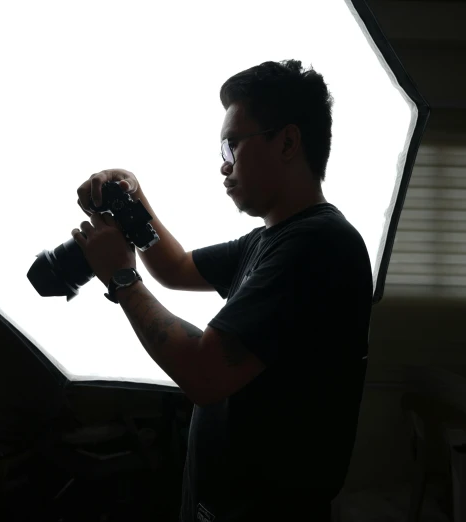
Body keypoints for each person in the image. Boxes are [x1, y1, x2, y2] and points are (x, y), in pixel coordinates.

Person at [72, 59, 373, 522]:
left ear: (288, 141)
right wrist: (131, 200)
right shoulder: (270, 240)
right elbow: (176, 268)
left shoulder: (318, 246)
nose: (222, 165)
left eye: (231, 145)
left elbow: (205, 374)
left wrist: (122, 279)